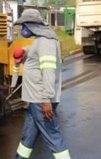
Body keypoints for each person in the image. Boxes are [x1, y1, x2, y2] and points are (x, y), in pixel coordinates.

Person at [14, 9, 71, 159]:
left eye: (24, 25)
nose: (23, 29)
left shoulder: (45, 41)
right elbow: (36, 52)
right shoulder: (41, 39)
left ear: (32, 25)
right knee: (28, 138)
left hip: (41, 100)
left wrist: (47, 100)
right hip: (35, 100)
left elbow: (48, 71)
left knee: (53, 136)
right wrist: (25, 52)